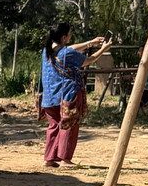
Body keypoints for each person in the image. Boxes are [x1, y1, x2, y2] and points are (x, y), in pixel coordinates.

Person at [40, 23, 111, 168]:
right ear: (64, 37)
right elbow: (89, 60)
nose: (71, 36)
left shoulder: (46, 51)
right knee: (69, 125)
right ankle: (65, 159)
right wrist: (103, 49)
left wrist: (89, 43)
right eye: (70, 34)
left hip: (49, 97)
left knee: (53, 126)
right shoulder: (67, 54)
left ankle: (49, 159)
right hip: (67, 96)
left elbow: (70, 48)